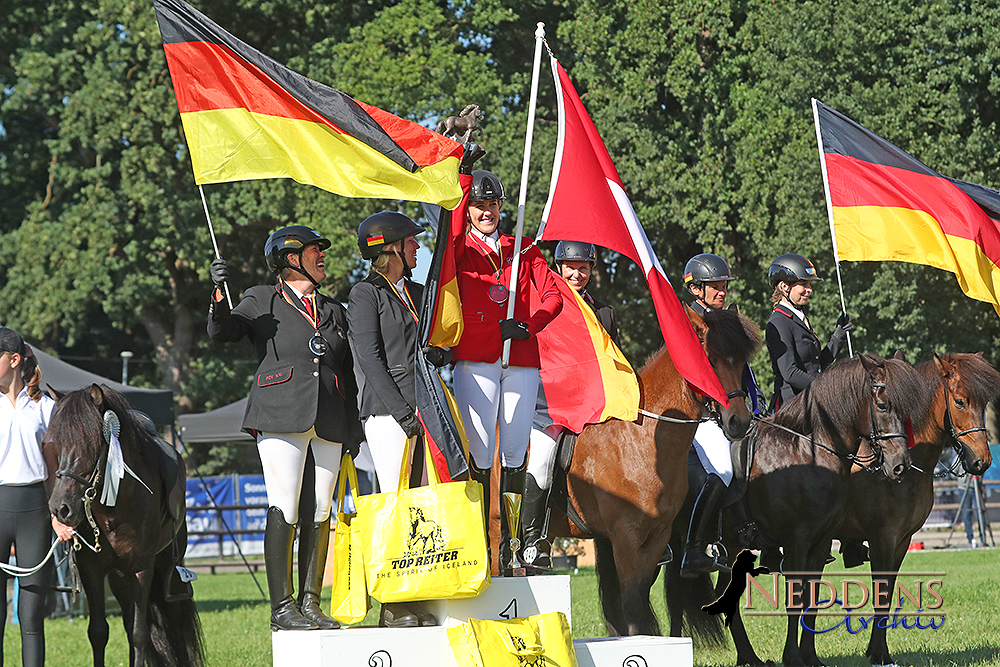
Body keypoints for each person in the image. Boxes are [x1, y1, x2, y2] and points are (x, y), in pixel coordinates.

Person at [208, 226, 363, 631]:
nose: (323, 256)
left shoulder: (333, 309)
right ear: (291, 258)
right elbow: (224, 332)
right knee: (286, 505)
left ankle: (311, 603)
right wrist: (219, 296)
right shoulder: (261, 298)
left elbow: (346, 373)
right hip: (280, 413)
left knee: (321, 510)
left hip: (330, 418)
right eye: (315, 250)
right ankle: (282, 608)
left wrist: (354, 432)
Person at [451, 170, 563, 572]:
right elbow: (449, 212)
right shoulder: (458, 247)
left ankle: (514, 543)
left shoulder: (523, 249)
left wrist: (530, 324)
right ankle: (481, 542)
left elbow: (554, 295)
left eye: (493, 205)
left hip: (519, 358)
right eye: (479, 205)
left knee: (515, 453)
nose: (487, 212)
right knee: (480, 453)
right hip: (476, 358)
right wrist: (462, 174)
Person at [347, 210, 448, 627]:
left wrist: (441, 353)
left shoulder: (420, 292)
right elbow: (370, 360)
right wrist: (402, 411)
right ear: (390, 248)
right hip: (387, 413)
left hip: (426, 407)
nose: (417, 247)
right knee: (393, 500)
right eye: (411, 243)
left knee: (422, 503)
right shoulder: (364, 295)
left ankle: (420, 590)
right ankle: (391, 603)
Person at [521, 240, 619, 571]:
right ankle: (533, 539)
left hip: (594, 408)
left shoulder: (603, 312)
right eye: (571, 267)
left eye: (584, 267)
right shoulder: (544, 304)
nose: (577, 273)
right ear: (559, 268)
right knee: (543, 458)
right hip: (551, 405)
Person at [764, 253, 865, 568]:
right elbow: (790, 372)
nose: (808, 290)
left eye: (809, 285)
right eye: (803, 285)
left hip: (814, 398)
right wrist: (828, 391)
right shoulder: (777, 322)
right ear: (784, 286)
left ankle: (851, 536)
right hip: (793, 406)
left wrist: (837, 336)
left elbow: (818, 364)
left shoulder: (800, 318)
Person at [679, 254, 766, 577]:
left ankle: (752, 532)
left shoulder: (726, 320)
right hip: (698, 414)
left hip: (729, 409)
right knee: (723, 471)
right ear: (696, 288)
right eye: (715, 286)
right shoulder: (689, 322)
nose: (721, 291)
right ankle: (693, 547)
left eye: (723, 285)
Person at [0, 327, 62, 667]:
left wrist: (58, 516)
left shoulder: (46, 408)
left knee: (31, 616)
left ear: (13, 359)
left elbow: (54, 470)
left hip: (35, 513)